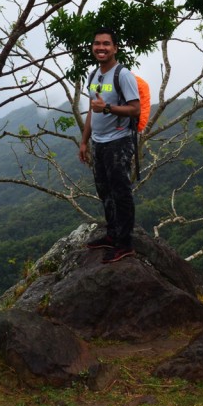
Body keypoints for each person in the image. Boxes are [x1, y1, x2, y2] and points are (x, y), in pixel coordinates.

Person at [79, 27, 141, 263]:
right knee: (104, 191)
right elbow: (91, 111)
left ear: (115, 48)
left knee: (121, 192)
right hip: (99, 142)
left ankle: (125, 244)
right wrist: (84, 142)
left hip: (119, 141)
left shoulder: (122, 75)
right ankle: (112, 234)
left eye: (106, 43)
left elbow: (135, 109)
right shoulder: (94, 76)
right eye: (97, 43)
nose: (101, 48)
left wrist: (107, 108)